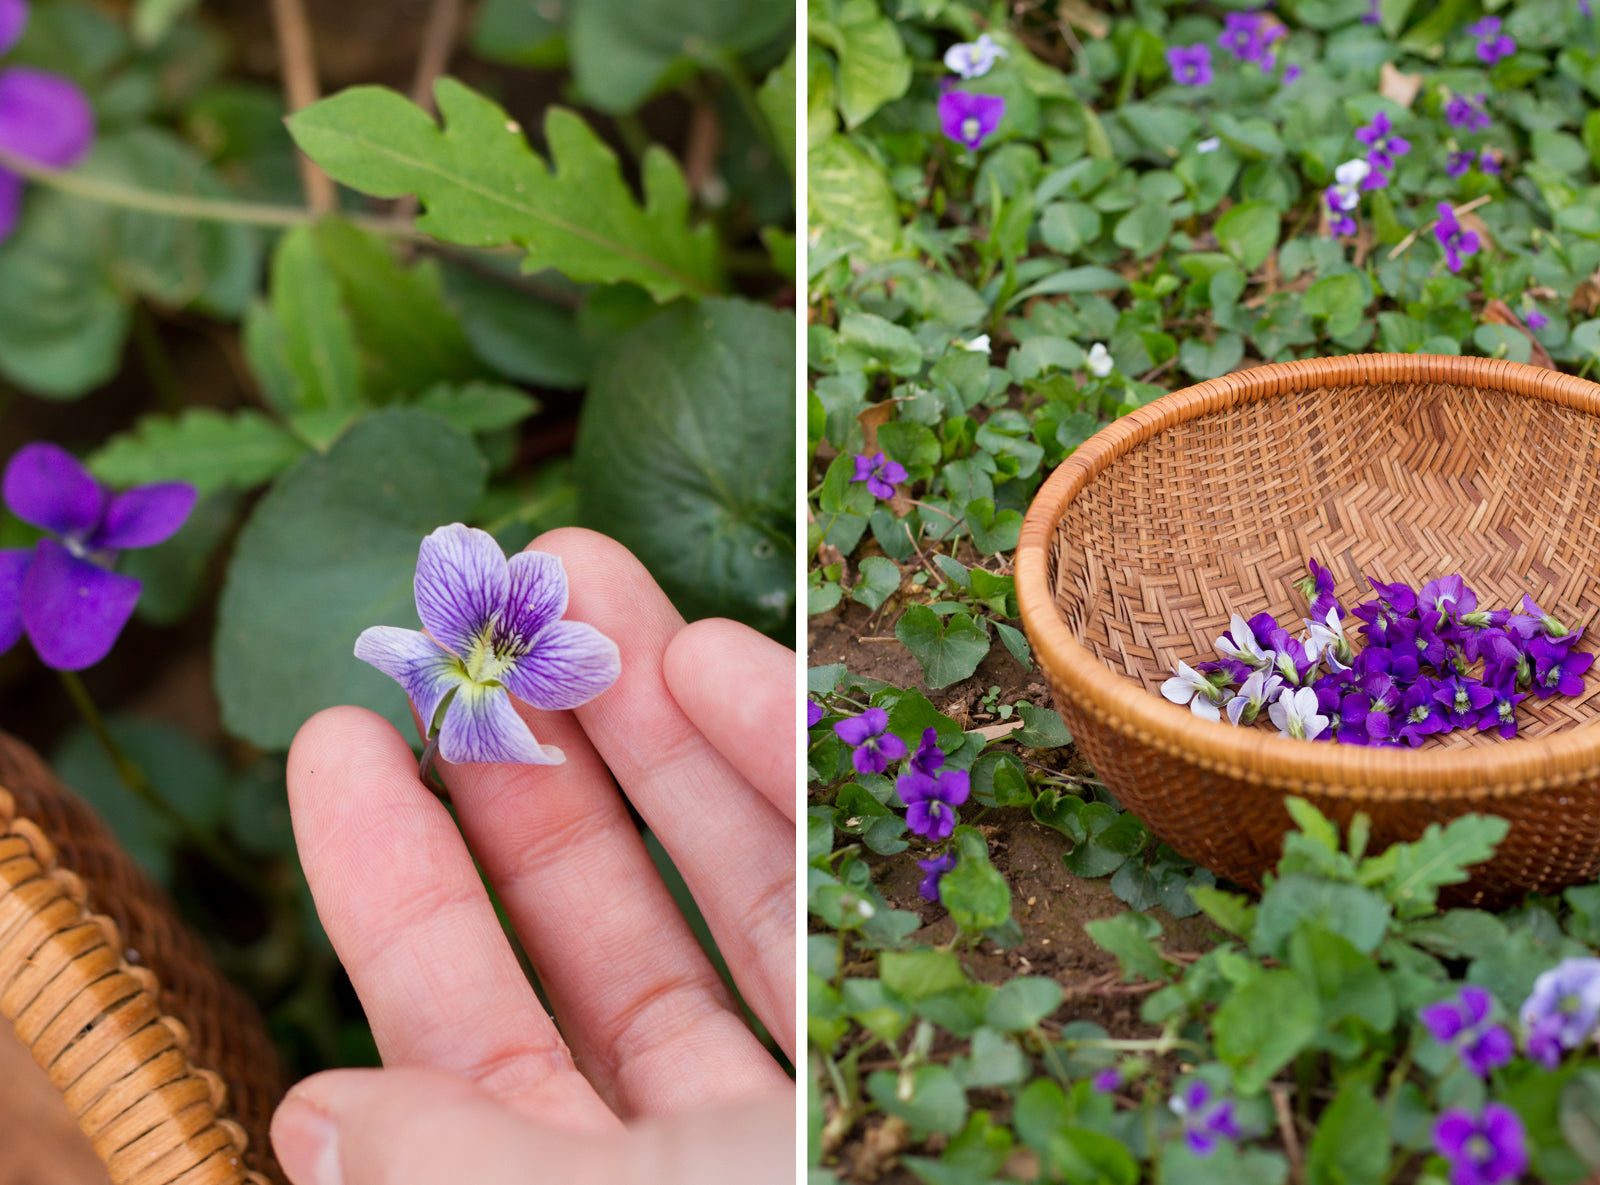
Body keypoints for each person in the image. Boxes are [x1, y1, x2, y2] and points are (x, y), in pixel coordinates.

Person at [271, 528, 796, 1184]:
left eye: (499, 651)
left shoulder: (495, 681)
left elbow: (584, 664)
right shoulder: (458, 666)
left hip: (473, 692)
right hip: (458, 680)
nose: (491, 655)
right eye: (489, 649)